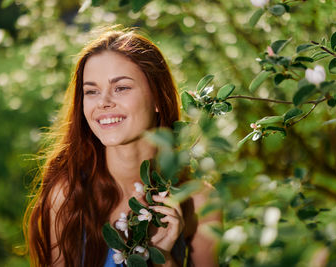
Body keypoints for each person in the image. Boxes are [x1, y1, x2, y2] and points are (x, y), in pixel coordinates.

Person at [24, 27, 220, 267]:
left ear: (158, 97)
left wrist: (163, 257)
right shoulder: (68, 193)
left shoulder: (199, 200)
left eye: (121, 88)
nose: (104, 102)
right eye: (92, 91)